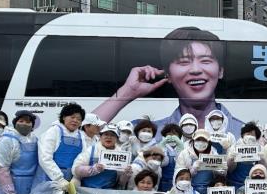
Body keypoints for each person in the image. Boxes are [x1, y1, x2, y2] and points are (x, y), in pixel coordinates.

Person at [93, 27, 242, 137]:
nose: (195, 70)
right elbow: (83, 136)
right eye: (183, 62)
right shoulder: (146, 132)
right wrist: (127, 92)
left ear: (220, 71)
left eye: (206, 61)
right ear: (168, 75)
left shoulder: (244, 132)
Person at [176, 129, 219, 194]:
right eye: (198, 139)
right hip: (189, 190)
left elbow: (220, 175)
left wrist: (219, 171)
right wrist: (193, 170)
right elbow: (178, 175)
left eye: (204, 140)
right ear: (193, 140)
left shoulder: (214, 153)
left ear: (208, 142)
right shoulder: (184, 153)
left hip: (209, 190)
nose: (201, 142)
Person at [226, 122, 263, 189]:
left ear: (256, 137)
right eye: (248, 134)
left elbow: (263, 170)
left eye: (252, 135)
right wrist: (231, 159)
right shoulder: (234, 147)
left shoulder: (260, 149)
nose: (250, 136)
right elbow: (229, 169)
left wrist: (262, 159)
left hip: (252, 186)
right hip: (234, 183)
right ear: (243, 135)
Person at [158, 124, 184, 191]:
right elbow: (162, 163)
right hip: (164, 182)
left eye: (174, 134)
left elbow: (181, 163)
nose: (172, 137)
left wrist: (180, 149)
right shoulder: (160, 147)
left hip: (179, 182)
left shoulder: (183, 148)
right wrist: (162, 149)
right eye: (169, 135)